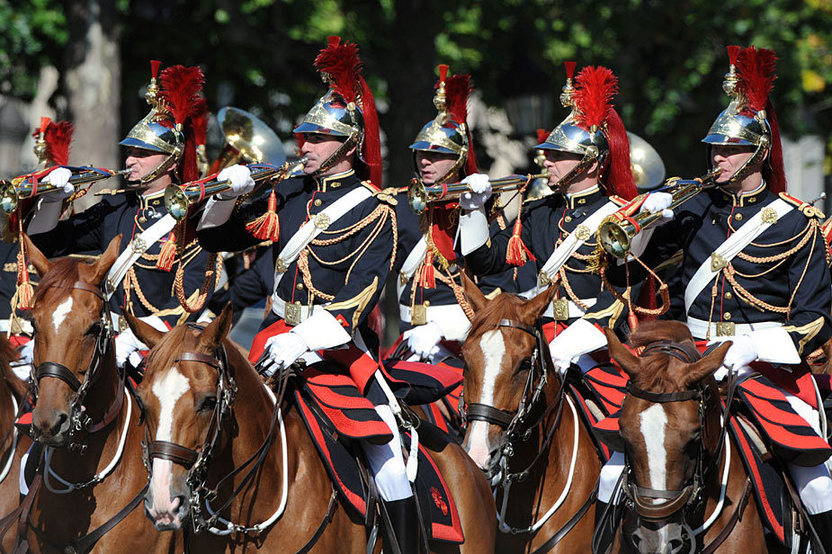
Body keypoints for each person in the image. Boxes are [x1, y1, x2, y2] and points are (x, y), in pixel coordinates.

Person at [196, 37, 420, 552]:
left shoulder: (379, 211)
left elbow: (357, 299)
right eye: (303, 136)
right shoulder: (289, 192)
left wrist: (303, 341)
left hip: (335, 350)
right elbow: (216, 239)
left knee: (390, 453)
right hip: (272, 338)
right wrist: (227, 195)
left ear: (347, 146)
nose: (303, 145)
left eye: (317, 138)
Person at [616, 45, 832, 544]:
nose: (717, 157)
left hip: (766, 368)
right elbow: (625, 264)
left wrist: (757, 348)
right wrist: (644, 217)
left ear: (757, 153)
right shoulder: (692, 207)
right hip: (687, 361)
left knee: (817, 481)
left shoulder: (797, 223)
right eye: (714, 148)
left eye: (729, 149)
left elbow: (814, 319)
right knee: (620, 460)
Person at [25, 61, 215, 368]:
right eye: (130, 151)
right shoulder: (114, 207)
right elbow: (48, 243)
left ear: (170, 162)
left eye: (143, 153)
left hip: (165, 346)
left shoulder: (191, 216)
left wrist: (139, 338)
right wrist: (52, 198)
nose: (131, 159)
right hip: (108, 341)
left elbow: (191, 300)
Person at [459, 63, 641, 372]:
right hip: (541, 337)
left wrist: (570, 345)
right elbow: (484, 262)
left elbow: (620, 297)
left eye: (559, 155)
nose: (548, 161)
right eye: (549, 154)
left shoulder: (620, 217)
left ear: (590, 164)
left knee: (610, 419)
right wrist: (473, 209)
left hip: (595, 346)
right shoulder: (539, 213)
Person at [395, 65, 523, 364]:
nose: (426, 161)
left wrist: (443, 329)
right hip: (405, 336)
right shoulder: (398, 204)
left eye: (438, 155)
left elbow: (497, 290)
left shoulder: (483, 209)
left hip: (458, 339)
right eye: (421, 153)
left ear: (459, 159)